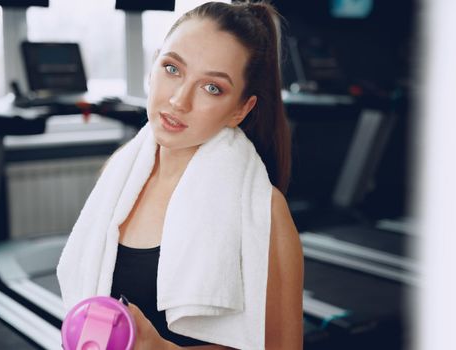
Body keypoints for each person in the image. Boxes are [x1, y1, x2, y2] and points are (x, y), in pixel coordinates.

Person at [59, 1, 303, 349]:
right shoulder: (119, 173)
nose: (178, 100)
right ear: (154, 65)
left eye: (212, 87)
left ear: (240, 110)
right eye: (172, 68)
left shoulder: (266, 211)